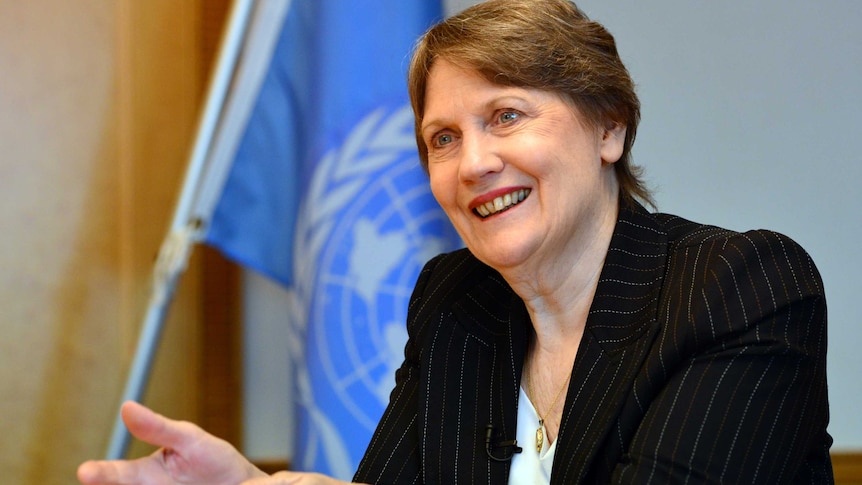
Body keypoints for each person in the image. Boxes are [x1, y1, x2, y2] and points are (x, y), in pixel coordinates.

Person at [78, 0, 833, 483]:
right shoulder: (455, 301)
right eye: (442, 137)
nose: (472, 163)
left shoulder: (740, 285)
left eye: (506, 115)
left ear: (610, 126)